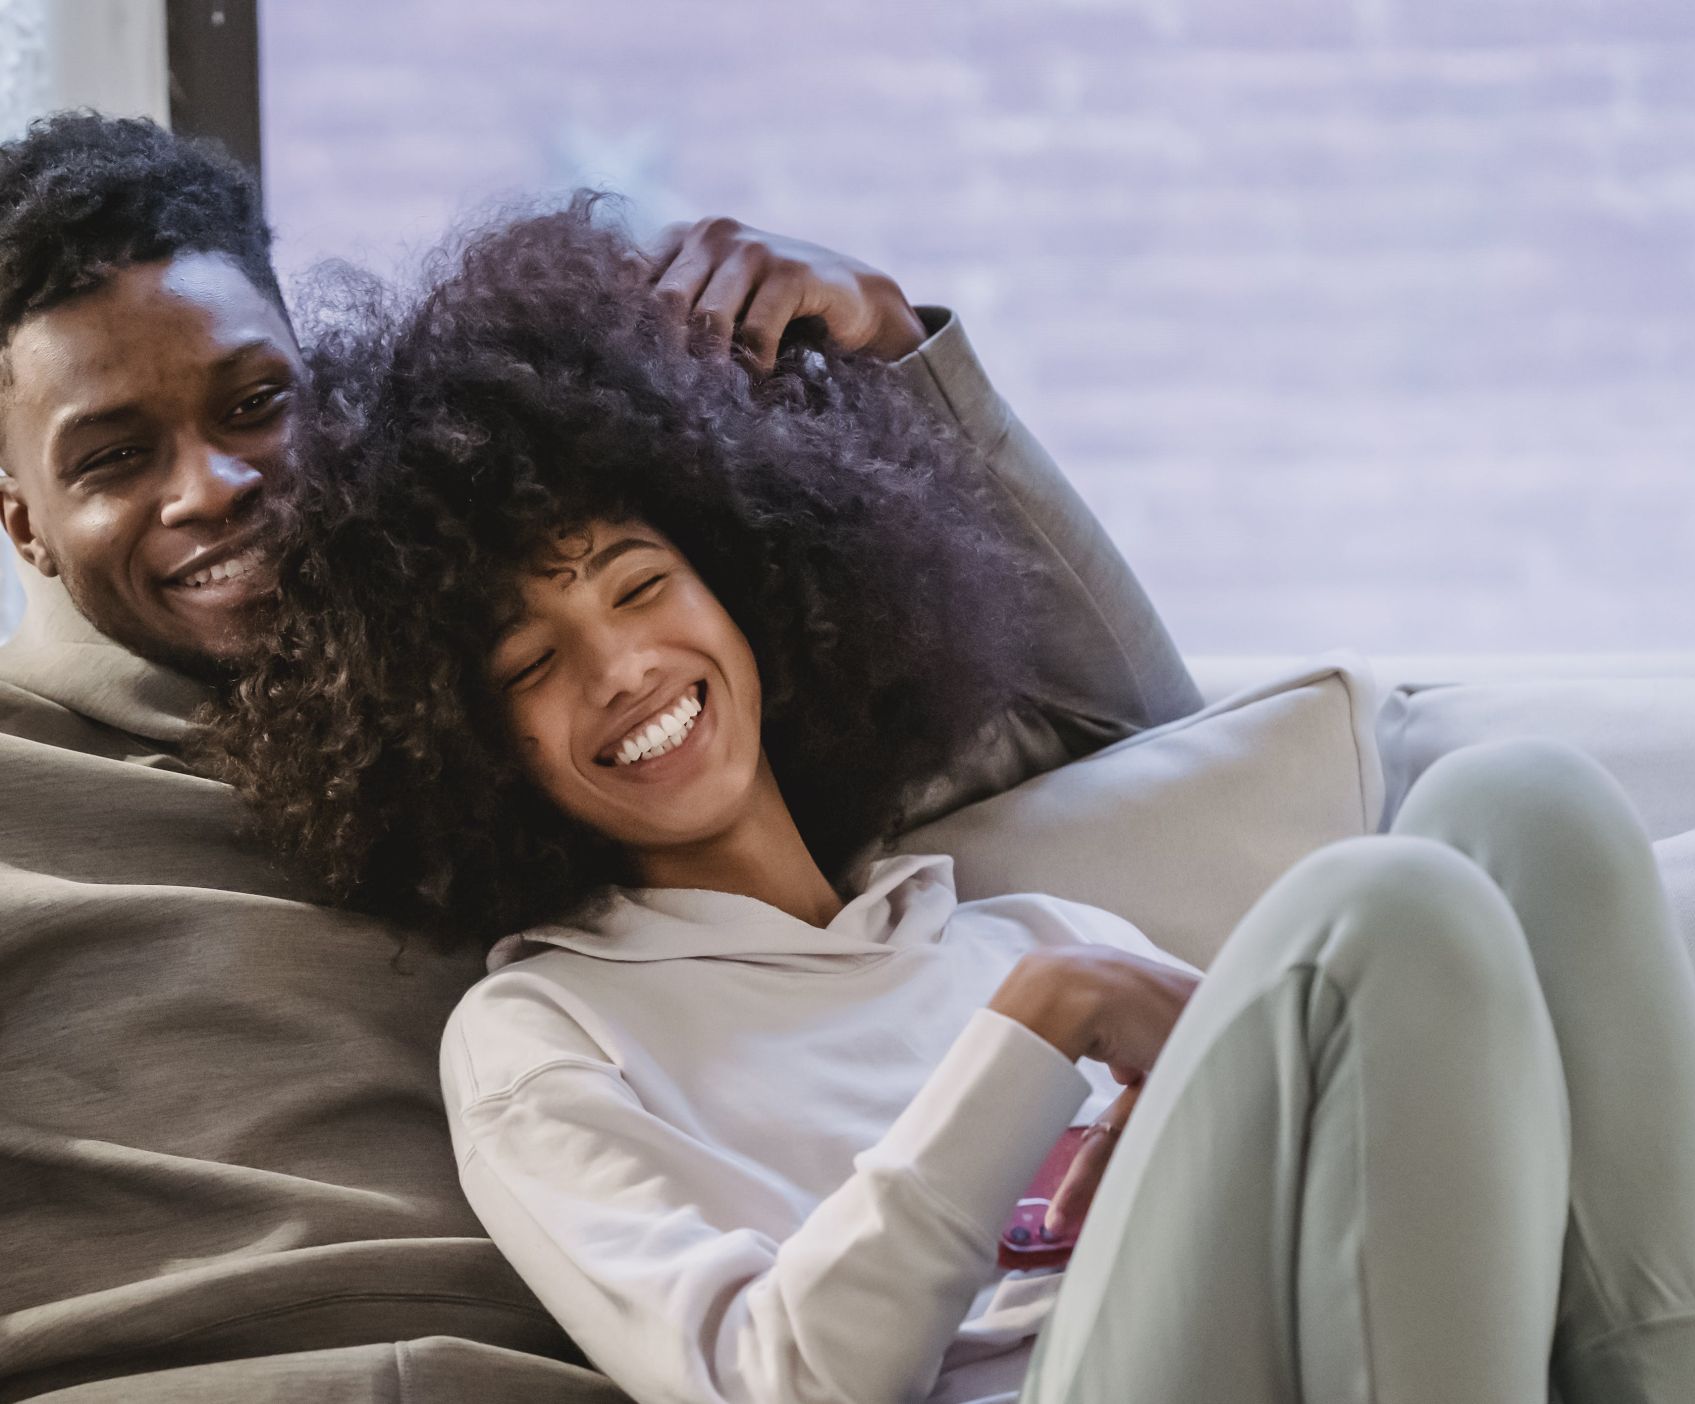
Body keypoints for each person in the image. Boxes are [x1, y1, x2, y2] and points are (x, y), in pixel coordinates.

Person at [211, 200, 1695, 1404]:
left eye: (642, 583)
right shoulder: (544, 1037)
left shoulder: (1010, 925)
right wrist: (1036, 1033)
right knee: (1391, 903)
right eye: (531, 661)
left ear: (753, 591)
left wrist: (1066, 1000)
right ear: (459, 744)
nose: (621, 666)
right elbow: (772, 1378)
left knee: (1528, 809)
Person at [0, 113, 1200, 1401]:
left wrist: (894, 352)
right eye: (115, 457)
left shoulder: (602, 732)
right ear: (21, 518)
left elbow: (1115, 739)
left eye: (256, 404)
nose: (213, 486)